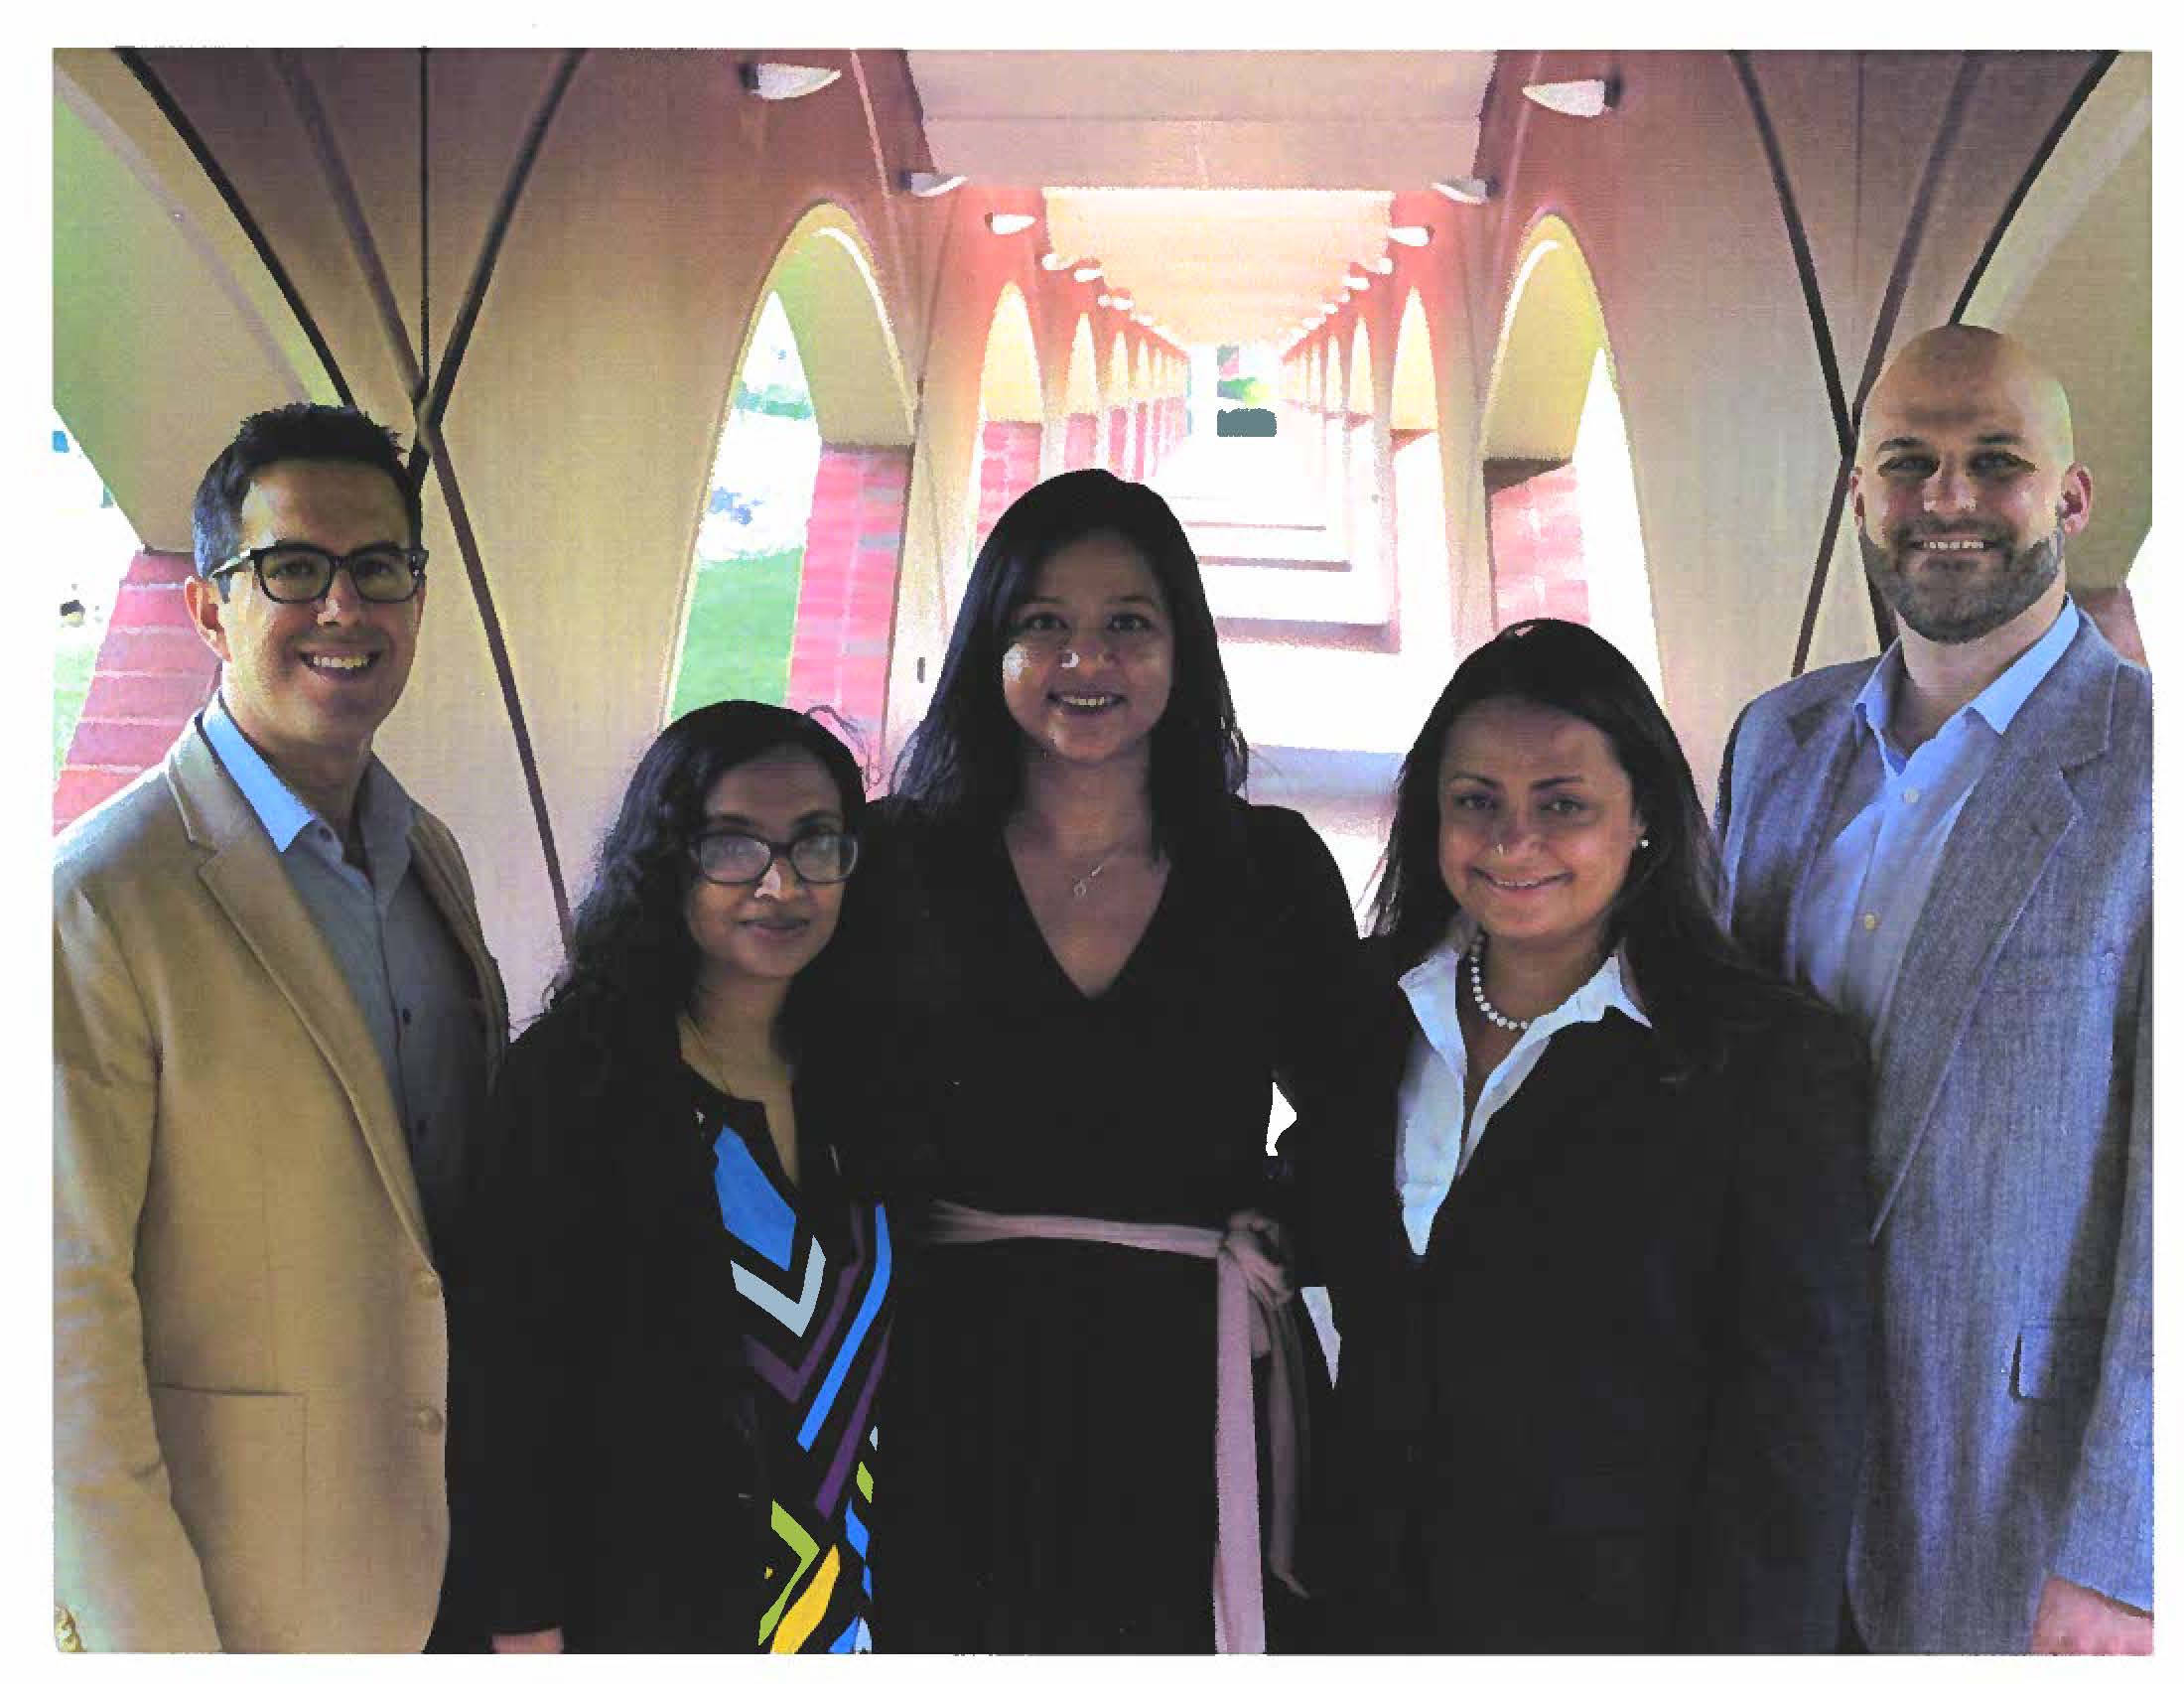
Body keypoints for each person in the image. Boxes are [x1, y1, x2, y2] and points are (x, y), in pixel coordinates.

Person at [860, 469, 1356, 1652]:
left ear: (1182, 646)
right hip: (941, 1369)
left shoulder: (1268, 868)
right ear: (990, 644)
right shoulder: (897, 862)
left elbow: (1356, 1105)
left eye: (1126, 621)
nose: (1086, 658)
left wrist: (1286, 1218)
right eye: (1044, 623)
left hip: (1178, 1372)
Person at [1304, 618, 1870, 1652]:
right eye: (1475, 801)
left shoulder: (1764, 1063)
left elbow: (1792, 1435)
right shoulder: (1365, 1009)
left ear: (1642, 814)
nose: (1512, 840)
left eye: (1561, 803)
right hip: (1370, 1613)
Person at [1717, 325, 2151, 1654]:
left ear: (2069, 498)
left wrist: (2127, 1546)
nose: (1947, 500)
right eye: (1909, 461)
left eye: (1995, 462)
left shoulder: (2150, 772)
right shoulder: (1777, 739)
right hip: (1766, 1452)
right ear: (1859, 494)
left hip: (2008, 1488)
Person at [53, 403, 507, 1651]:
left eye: (380, 568)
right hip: (247, 1601)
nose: (342, 608)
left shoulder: (432, 862)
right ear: (209, 607)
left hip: (459, 1565)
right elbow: (55, 1336)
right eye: (291, 568)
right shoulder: (99, 900)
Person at [455, 702, 888, 1653]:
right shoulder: (578, 1086)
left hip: (851, 1611)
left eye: (817, 843)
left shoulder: (864, 1078)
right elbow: (508, 1389)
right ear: (669, 860)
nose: (782, 883)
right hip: (649, 1613)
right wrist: (526, 1631)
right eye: (734, 845)